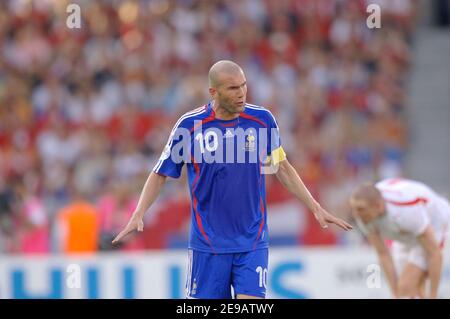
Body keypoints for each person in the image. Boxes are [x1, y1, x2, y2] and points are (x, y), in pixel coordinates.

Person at [113, 60, 352, 299]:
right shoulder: (189, 126)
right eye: (233, 88)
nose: (241, 93)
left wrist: (315, 207)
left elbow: (282, 167)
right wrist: (139, 212)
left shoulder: (262, 121)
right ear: (213, 92)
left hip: (252, 240)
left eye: (243, 86)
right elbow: (160, 173)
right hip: (208, 244)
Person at [350, 178, 450, 299]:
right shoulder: (364, 216)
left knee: (406, 287)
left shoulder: (406, 211)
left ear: (379, 206)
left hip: (435, 225)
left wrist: (433, 295)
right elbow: (383, 254)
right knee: (406, 292)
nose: (355, 214)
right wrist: (395, 293)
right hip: (404, 233)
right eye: (354, 208)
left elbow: (435, 254)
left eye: (360, 209)